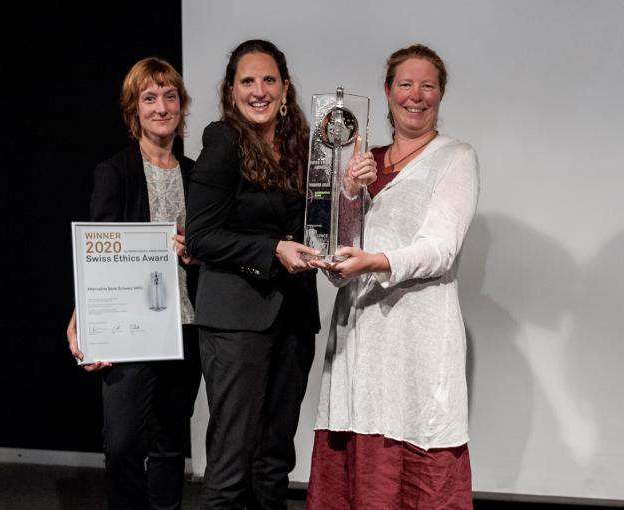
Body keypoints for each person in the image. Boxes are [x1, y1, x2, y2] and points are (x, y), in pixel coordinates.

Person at [307, 44, 480, 509]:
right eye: (405, 84)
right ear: (387, 92)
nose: (416, 95)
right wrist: (348, 193)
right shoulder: (361, 162)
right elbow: (337, 266)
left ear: (441, 93)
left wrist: (375, 261)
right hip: (359, 342)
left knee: (417, 464)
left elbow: (441, 249)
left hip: (416, 342)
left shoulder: (455, 157)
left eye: (427, 85)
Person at [185, 39, 347, 510]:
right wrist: (271, 249)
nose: (259, 90)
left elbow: (320, 225)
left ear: (286, 87)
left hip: (293, 318)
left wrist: (349, 192)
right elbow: (201, 237)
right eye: (248, 81)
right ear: (231, 90)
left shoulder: (305, 145)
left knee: (275, 459)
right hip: (236, 319)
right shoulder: (223, 140)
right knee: (232, 464)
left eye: (268, 80)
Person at [66, 56, 201, 510]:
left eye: (169, 97)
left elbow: (213, 245)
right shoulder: (115, 171)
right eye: (149, 98)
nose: (161, 107)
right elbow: (98, 254)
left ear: (182, 106)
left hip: (185, 325)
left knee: (169, 445)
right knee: (122, 444)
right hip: (130, 329)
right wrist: (82, 315)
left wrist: (197, 251)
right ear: (133, 111)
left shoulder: (198, 174)